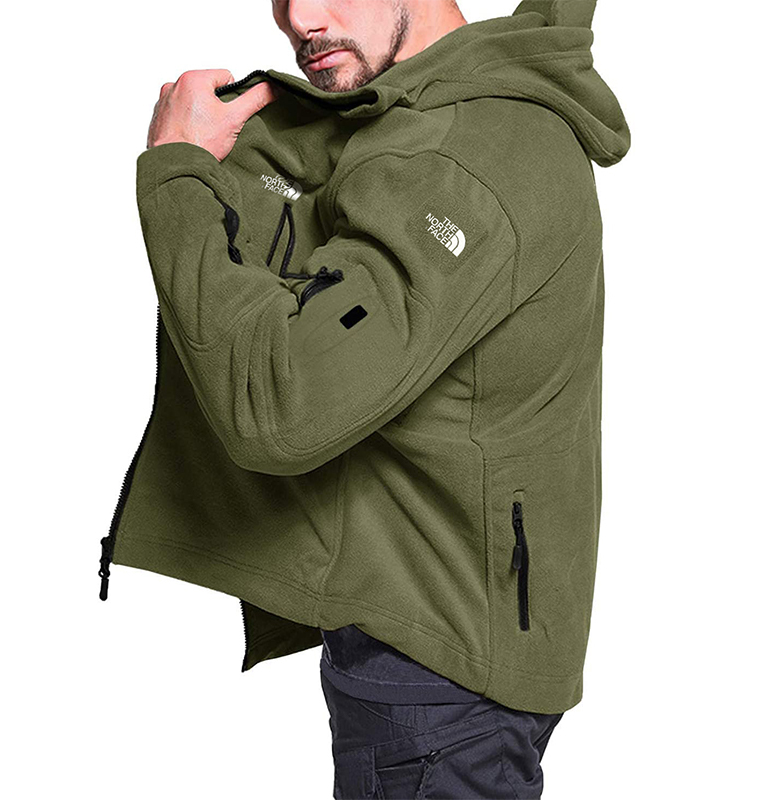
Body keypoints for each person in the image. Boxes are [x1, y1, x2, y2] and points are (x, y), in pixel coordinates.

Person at [100, 1, 629, 797]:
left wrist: (177, 172)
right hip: (444, 644)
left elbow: (279, 405)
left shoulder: (461, 155)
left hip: (435, 681)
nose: (300, 19)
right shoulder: (442, 118)